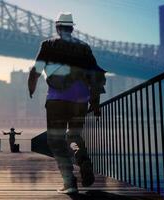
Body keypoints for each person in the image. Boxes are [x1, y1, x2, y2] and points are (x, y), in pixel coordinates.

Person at [28, 12, 106, 194]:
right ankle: (82, 157)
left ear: (57, 27)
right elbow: (96, 75)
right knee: (74, 137)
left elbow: (36, 71)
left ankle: (69, 182)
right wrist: (94, 102)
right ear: (71, 28)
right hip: (81, 100)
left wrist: (31, 87)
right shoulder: (85, 47)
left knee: (55, 140)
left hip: (57, 100)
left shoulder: (48, 44)